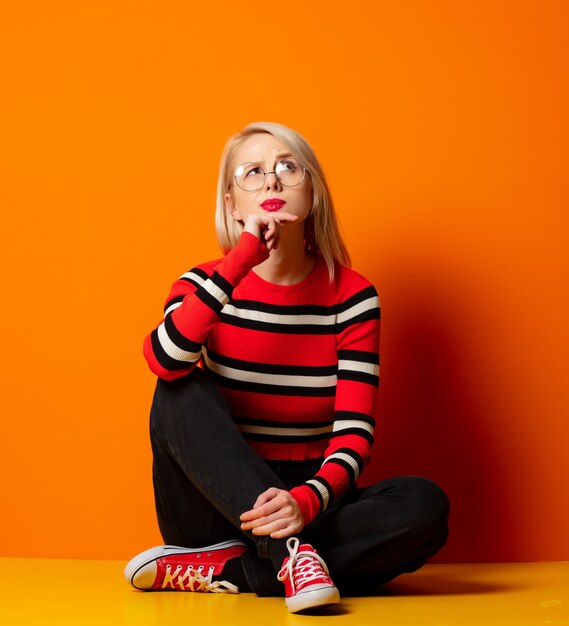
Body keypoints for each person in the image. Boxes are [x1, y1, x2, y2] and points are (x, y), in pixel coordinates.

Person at [124, 121, 449, 613]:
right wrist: (239, 261)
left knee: (425, 507)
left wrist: (306, 501)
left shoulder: (354, 297)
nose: (271, 181)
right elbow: (163, 359)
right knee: (177, 388)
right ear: (232, 205)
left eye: (287, 167)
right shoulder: (202, 283)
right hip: (215, 503)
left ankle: (233, 572)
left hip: (307, 501)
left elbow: (354, 434)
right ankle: (290, 557)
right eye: (251, 172)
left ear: (313, 193)